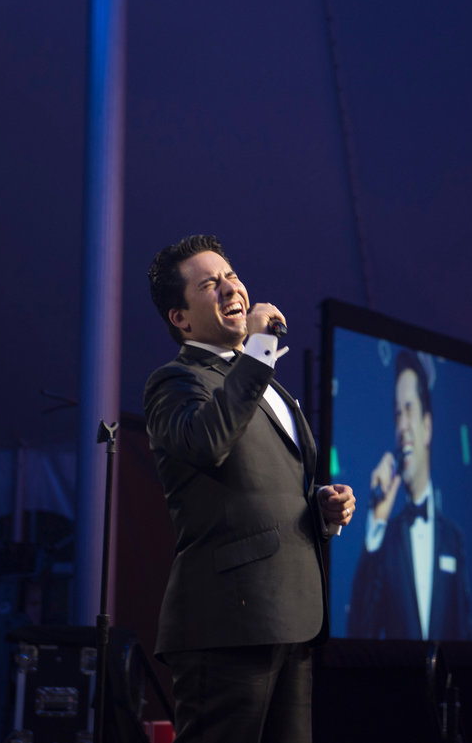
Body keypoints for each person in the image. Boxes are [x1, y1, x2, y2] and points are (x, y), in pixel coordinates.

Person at [143, 234, 356, 743]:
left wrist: (324, 510)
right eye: (209, 284)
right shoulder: (176, 380)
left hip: (293, 615)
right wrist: (258, 350)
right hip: (227, 621)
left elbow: (268, 488)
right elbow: (208, 442)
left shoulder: (270, 386)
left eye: (231, 276)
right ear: (181, 318)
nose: (229, 288)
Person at [346, 348, 472, 640]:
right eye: (397, 414)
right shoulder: (384, 538)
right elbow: (359, 630)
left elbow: (465, 633)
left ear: (427, 427)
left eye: (409, 409)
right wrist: (376, 520)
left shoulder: (454, 539)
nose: (402, 425)